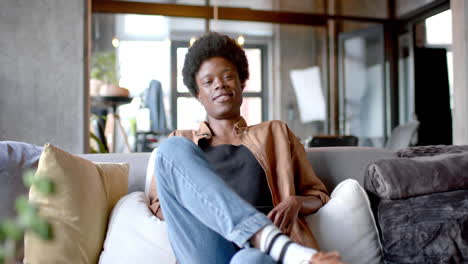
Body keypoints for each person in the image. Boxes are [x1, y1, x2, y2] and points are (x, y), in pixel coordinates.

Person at [148, 32, 343, 264]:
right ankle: (269, 239)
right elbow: (162, 207)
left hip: (260, 255)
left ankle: (267, 240)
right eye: (208, 82)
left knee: (249, 260)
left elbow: (319, 195)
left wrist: (295, 202)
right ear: (198, 94)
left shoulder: (276, 134)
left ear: (242, 82)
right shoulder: (183, 142)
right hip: (208, 249)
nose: (219, 84)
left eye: (228, 76)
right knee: (171, 148)